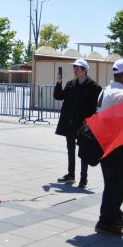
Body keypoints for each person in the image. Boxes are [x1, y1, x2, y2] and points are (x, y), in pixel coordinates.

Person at [95, 58, 123, 236]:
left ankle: (115, 214)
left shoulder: (107, 90)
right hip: (120, 146)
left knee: (112, 182)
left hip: (106, 143)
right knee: (118, 184)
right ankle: (106, 221)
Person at [53, 59, 102, 187]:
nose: (75, 71)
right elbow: (58, 96)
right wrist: (59, 82)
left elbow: (99, 106)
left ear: (85, 70)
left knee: (84, 150)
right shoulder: (70, 84)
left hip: (84, 125)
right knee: (70, 148)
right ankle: (71, 175)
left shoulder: (94, 87)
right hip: (70, 122)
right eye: (74, 68)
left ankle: (83, 179)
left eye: (77, 68)